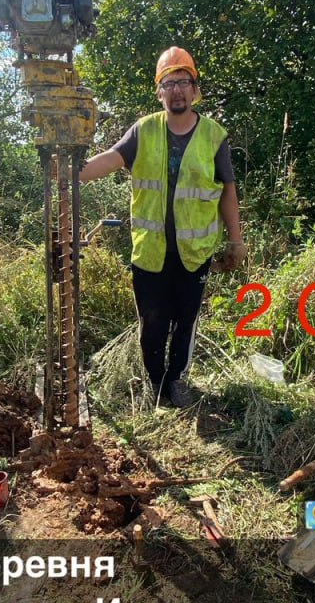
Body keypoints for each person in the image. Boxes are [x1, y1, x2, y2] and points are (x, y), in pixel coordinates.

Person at [79, 47, 246, 407]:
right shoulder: (144, 130)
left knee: (186, 322)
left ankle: (178, 380)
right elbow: (109, 159)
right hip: (150, 252)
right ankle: (154, 385)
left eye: (183, 82)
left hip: (194, 253)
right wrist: (71, 168)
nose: (177, 90)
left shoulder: (213, 136)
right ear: (159, 93)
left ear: (195, 89)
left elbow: (227, 191)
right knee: (152, 324)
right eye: (168, 84)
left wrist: (236, 240)